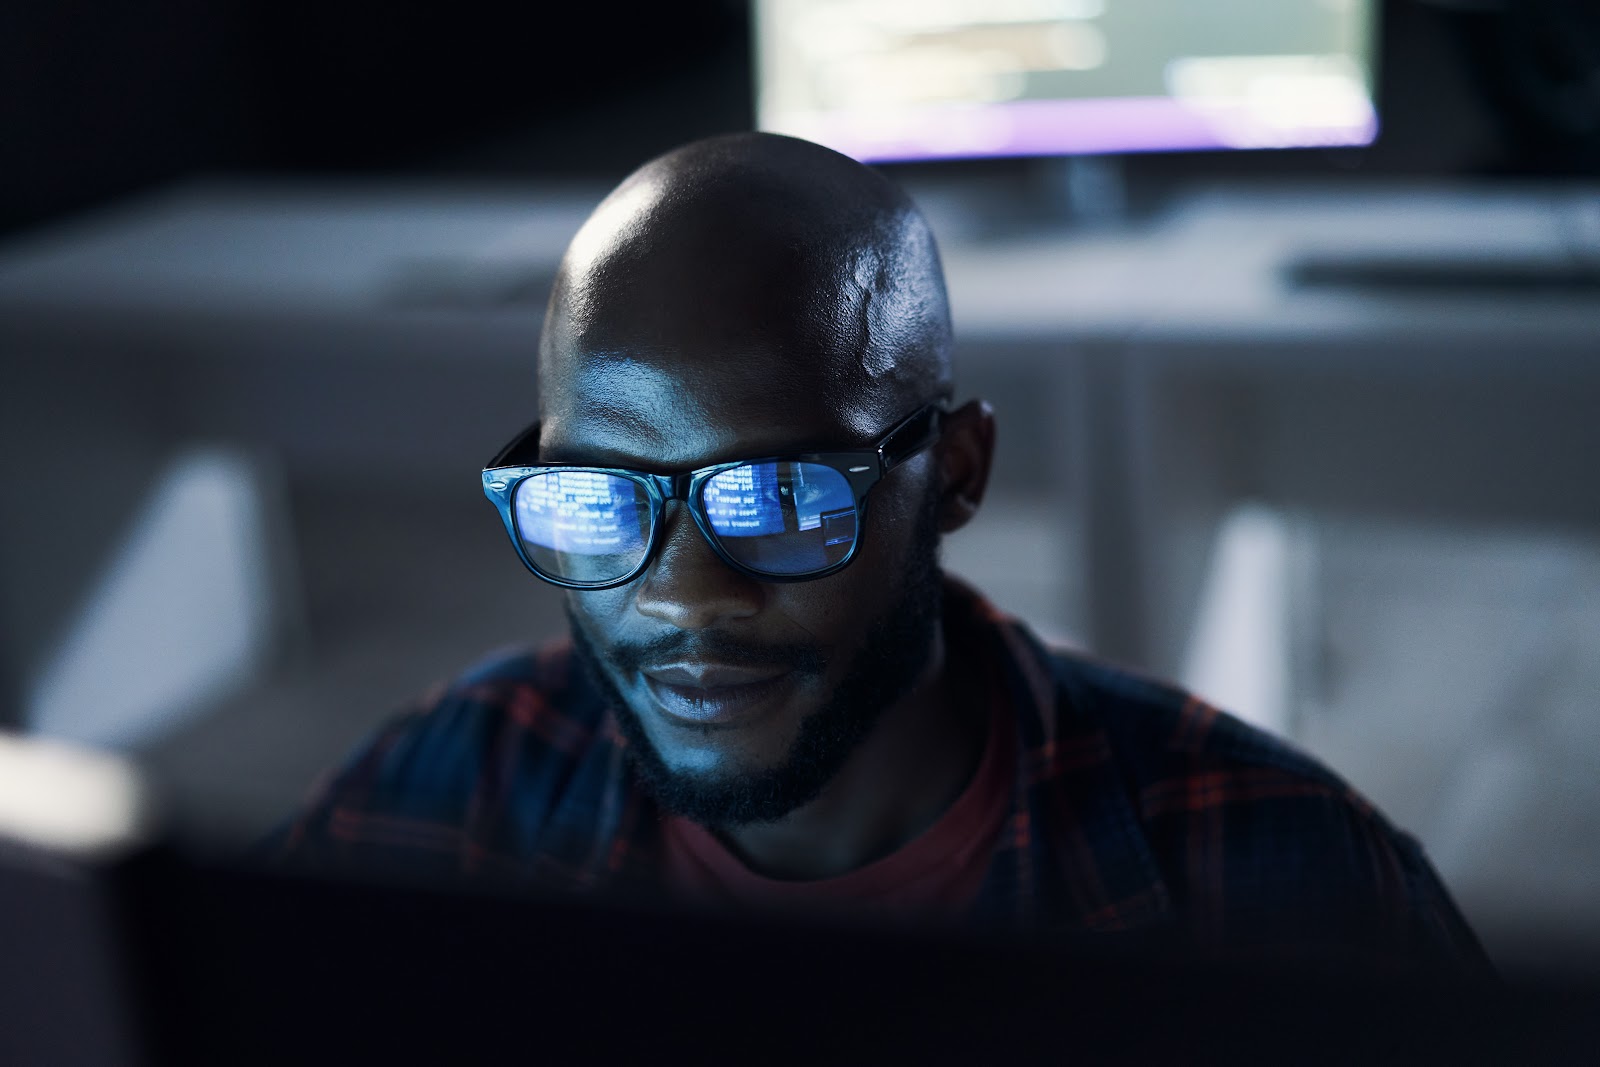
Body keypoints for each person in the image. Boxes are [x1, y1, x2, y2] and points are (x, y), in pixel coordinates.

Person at [268, 132, 1486, 970]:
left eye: (775, 494)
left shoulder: (1287, 883)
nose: (684, 593)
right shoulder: (452, 787)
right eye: (600, 496)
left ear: (952, 473)